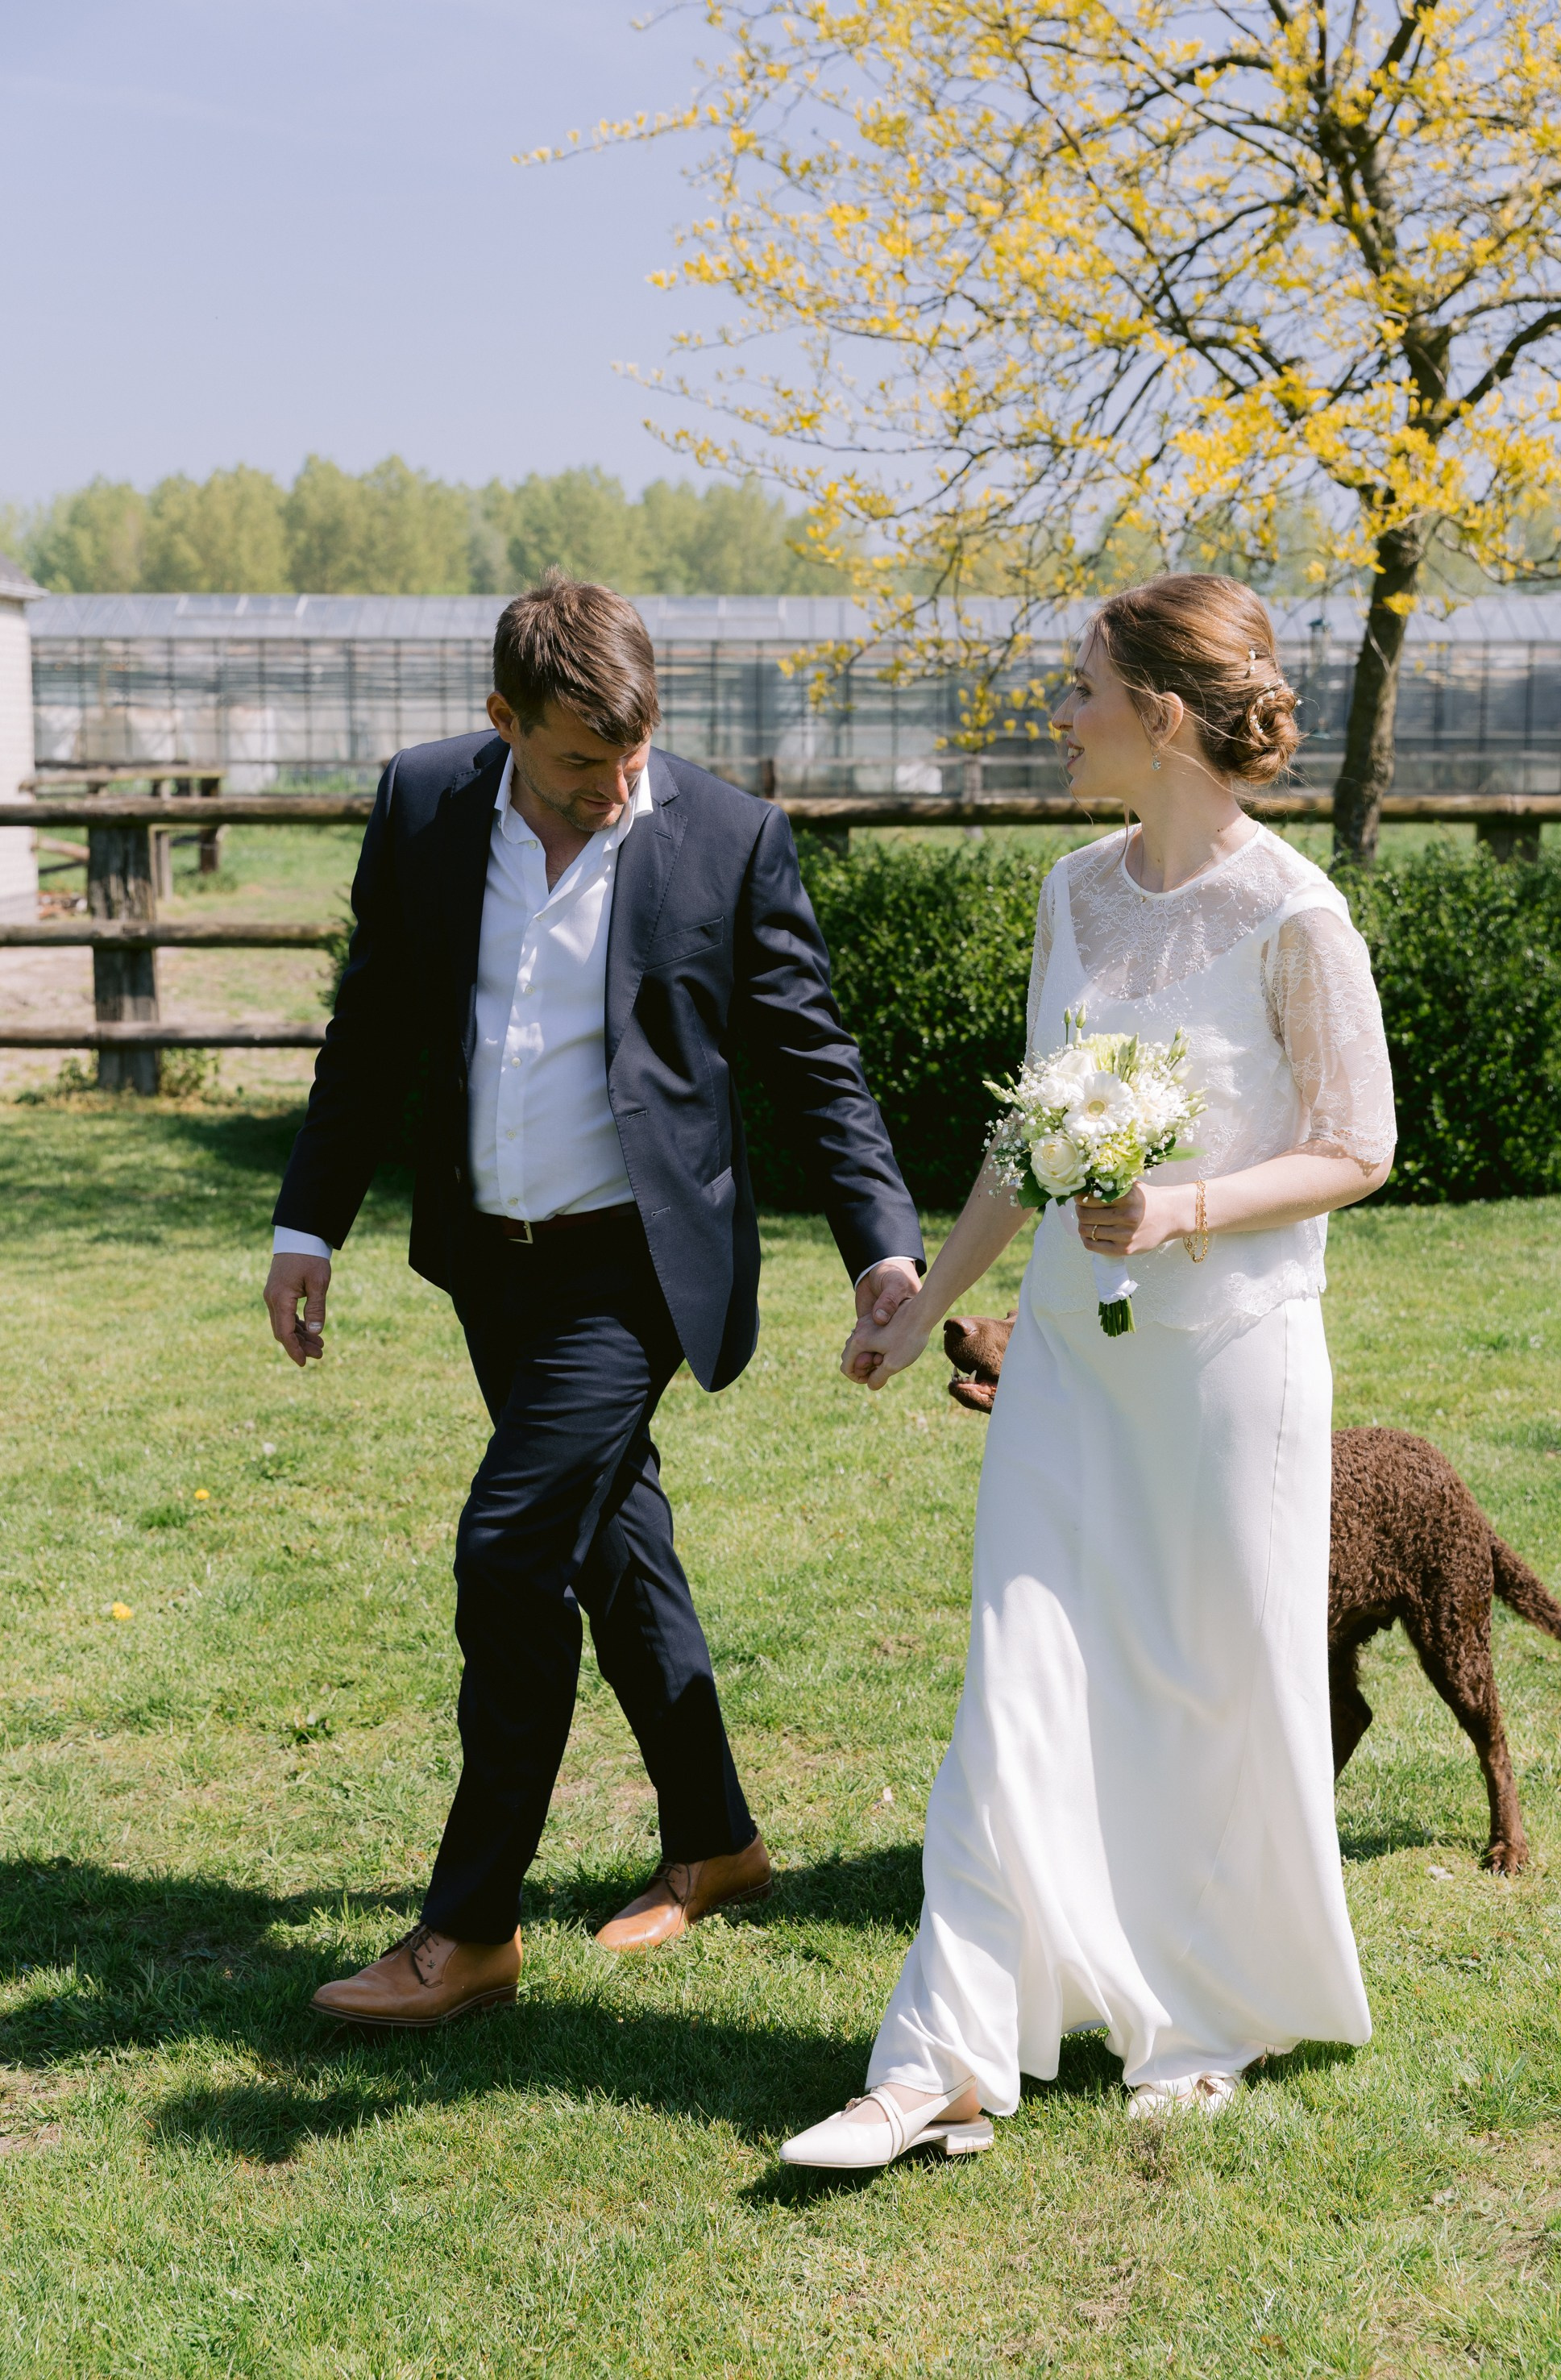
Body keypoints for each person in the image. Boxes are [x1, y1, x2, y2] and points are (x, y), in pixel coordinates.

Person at [782, 574, 1397, 2167]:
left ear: (1162, 718)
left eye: (1080, 689)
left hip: (1227, 1364)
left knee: (1211, 1682)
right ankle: (943, 2058)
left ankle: (1206, 2009)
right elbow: (1028, 1137)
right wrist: (923, 1304)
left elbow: (1357, 1144)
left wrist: (1182, 1206)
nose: (1060, 715)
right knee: (1016, 1675)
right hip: (1066, 1355)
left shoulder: (1294, 915)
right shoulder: (1072, 894)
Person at [267, 576, 924, 2028]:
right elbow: (371, 1025)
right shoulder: (425, 802)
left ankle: (469, 1928)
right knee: (613, 1541)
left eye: (634, 752)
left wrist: (882, 1242)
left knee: (510, 1552)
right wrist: (309, 1219)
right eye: (578, 759)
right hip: (488, 1259)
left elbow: (813, 1055)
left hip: (637, 1270)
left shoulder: (730, 835)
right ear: (502, 722)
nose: (616, 783)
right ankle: (720, 1841)